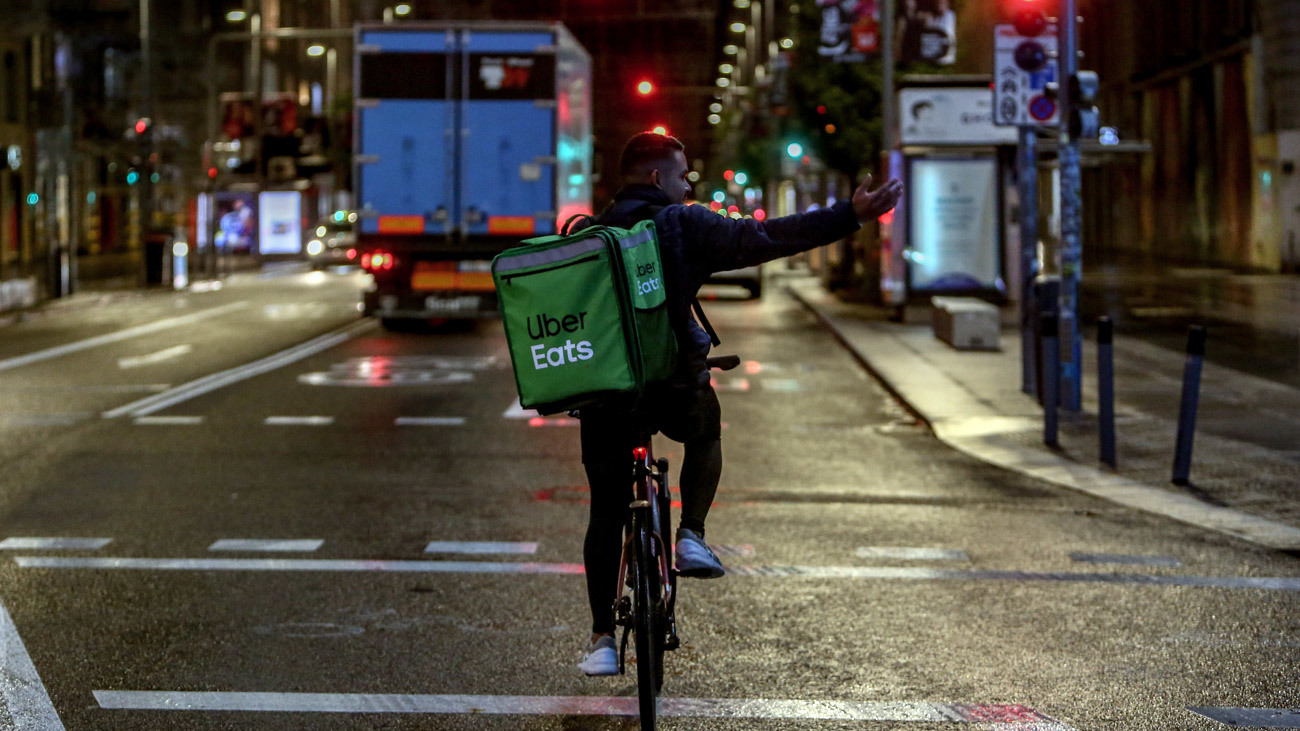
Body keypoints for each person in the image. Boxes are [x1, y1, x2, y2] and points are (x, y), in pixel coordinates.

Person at [575, 132, 903, 676]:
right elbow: (767, 238)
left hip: (606, 396)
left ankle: (602, 639)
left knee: (607, 509)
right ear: (658, 179)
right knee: (705, 432)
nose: (686, 187)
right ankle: (691, 536)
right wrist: (849, 214)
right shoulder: (681, 224)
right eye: (682, 177)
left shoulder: (589, 234)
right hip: (673, 387)